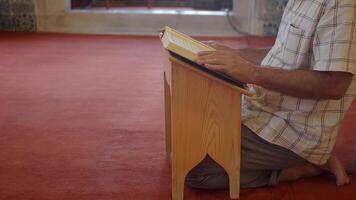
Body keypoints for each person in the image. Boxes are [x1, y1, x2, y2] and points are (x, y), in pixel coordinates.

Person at [185, 0, 355, 189]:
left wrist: (251, 72)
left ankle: (301, 166)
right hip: (264, 107)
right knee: (187, 136)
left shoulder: (341, 4)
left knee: (193, 166)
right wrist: (235, 54)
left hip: (295, 130)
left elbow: (334, 85)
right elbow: (282, 54)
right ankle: (305, 159)